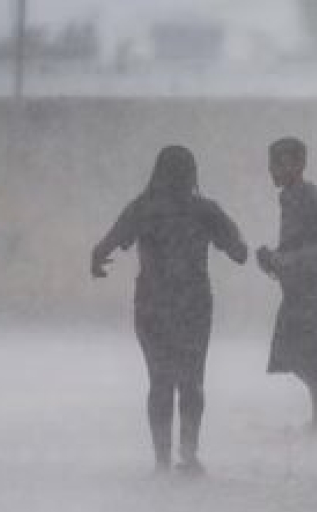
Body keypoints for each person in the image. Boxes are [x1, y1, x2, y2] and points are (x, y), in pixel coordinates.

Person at [92, 145, 248, 475]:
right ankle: (188, 455)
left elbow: (103, 248)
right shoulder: (205, 211)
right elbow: (239, 252)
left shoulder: (143, 208)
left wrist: (98, 263)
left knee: (160, 381)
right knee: (191, 382)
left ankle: (161, 460)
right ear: (192, 173)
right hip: (193, 305)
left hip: (152, 305)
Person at [257, 137, 317, 427]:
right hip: (300, 286)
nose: (272, 170)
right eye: (270, 163)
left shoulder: (309, 196)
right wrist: (273, 258)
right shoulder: (289, 197)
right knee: (296, 348)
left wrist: (287, 260)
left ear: (298, 164)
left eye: (278, 163)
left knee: (297, 349)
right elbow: (295, 244)